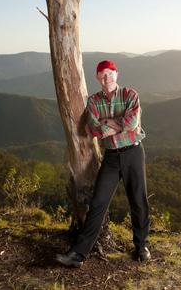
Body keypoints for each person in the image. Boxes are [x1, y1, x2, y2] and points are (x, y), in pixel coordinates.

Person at [56, 59, 150, 268]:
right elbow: (94, 129)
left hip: (134, 152)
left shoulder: (130, 95)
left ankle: (141, 246)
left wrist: (108, 123)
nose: (106, 78)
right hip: (111, 157)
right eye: (102, 75)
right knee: (97, 203)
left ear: (116, 74)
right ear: (98, 78)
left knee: (138, 199)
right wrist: (116, 125)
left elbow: (132, 123)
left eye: (109, 73)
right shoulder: (94, 101)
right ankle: (78, 255)